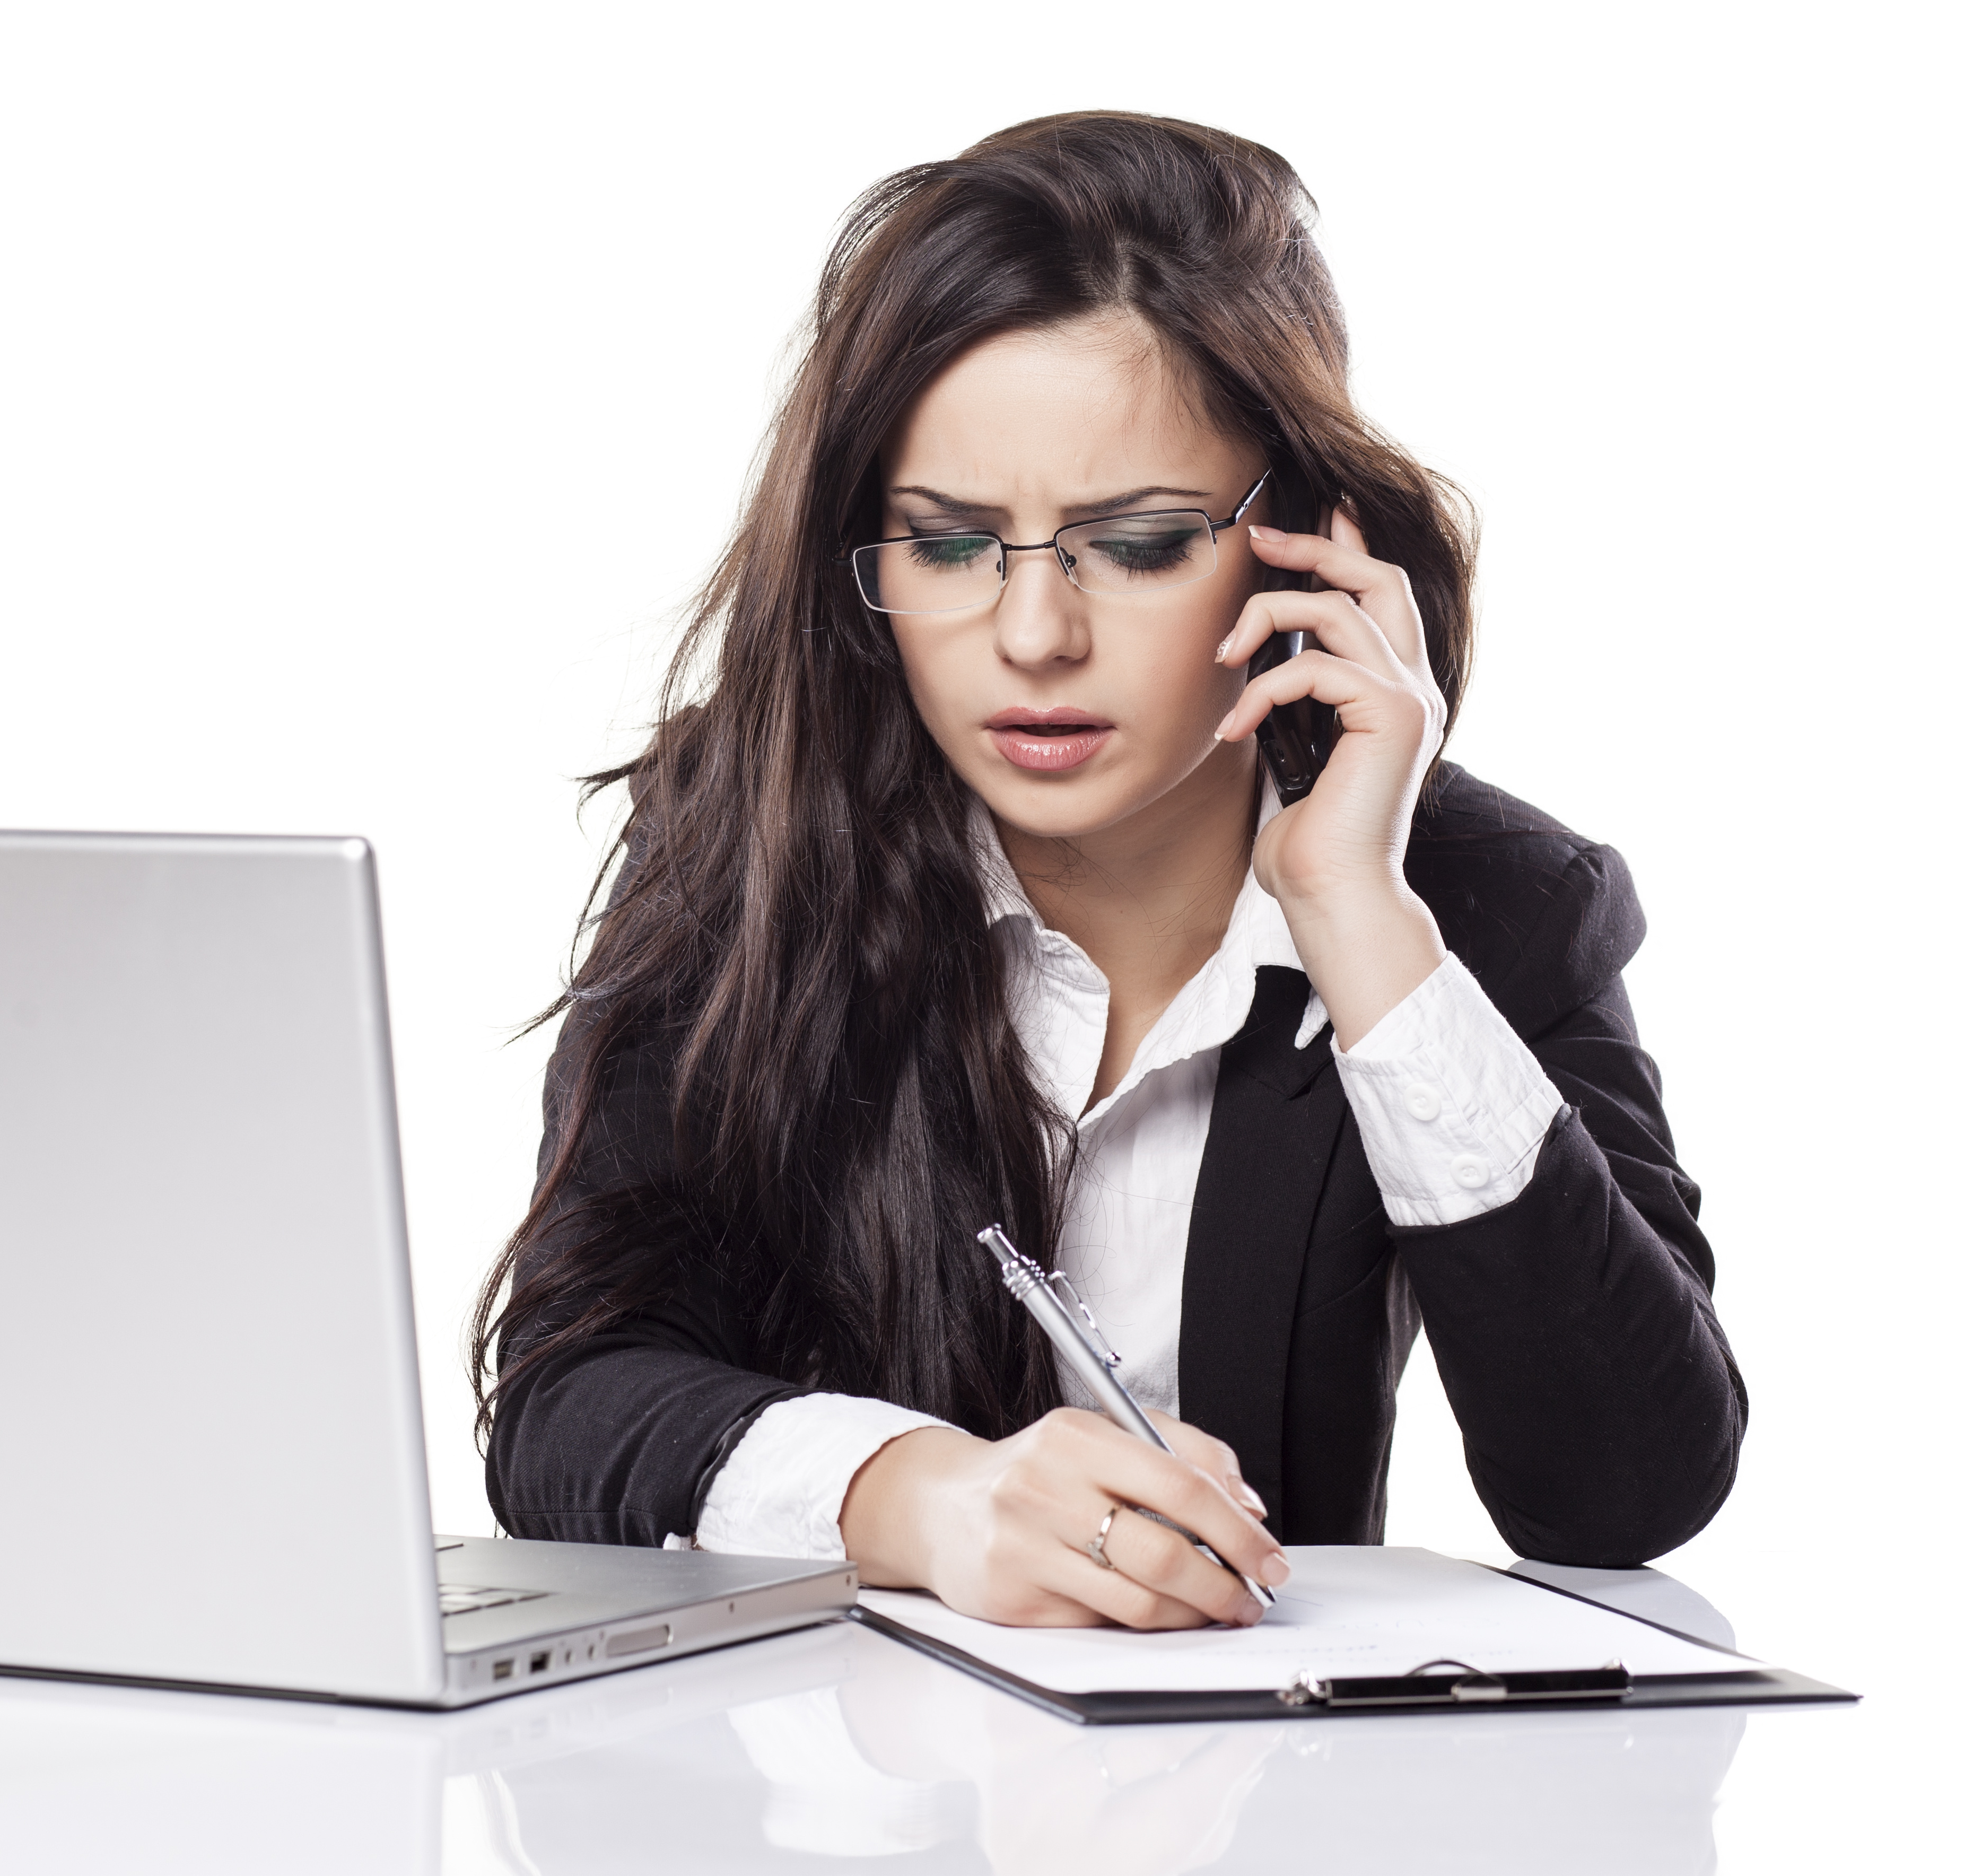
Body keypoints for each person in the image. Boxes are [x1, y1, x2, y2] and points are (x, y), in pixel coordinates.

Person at [470, 111, 1743, 1632]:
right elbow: (566, 1399)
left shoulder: (1475, 899)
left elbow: (1623, 1490)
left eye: (1133, 542)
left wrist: (1357, 920)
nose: (1030, 640)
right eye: (948, 546)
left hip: (1258, 1809)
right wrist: (921, 1496)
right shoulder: (743, 845)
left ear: (1302, 541)